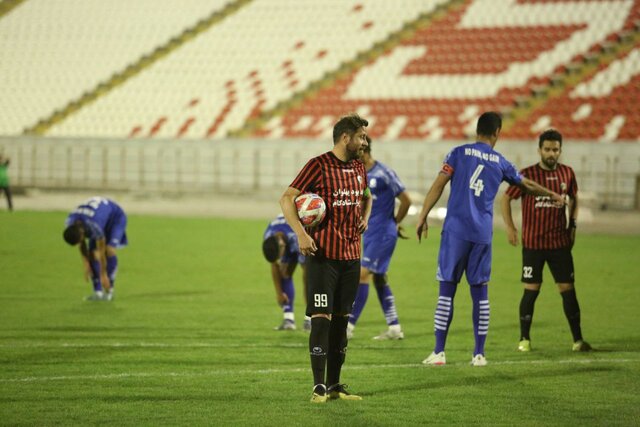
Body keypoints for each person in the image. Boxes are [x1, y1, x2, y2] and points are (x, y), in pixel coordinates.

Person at [415, 112, 565, 367]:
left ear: (477, 131)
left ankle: (439, 352)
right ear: (497, 133)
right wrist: (552, 194)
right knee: (480, 295)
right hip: (482, 235)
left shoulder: (458, 153)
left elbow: (438, 185)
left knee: (446, 292)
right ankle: (479, 354)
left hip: (455, 233)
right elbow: (526, 184)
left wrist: (423, 215)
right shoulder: (501, 161)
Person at [279, 113, 372, 403]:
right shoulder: (318, 165)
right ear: (346, 137)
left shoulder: (359, 167)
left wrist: (365, 218)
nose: (365, 142)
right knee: (321, 321)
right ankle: (318, 386)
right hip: (323, 257)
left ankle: (334, 386)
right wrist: (300, 234)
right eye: (361, 137)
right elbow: (287, 198)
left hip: (351, 257)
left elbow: (367, 196)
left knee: (342, 323)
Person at [501, 129, 591, 352]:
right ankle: (524, 339)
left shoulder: (567, 173)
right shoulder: (526, 175)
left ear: (560, 150)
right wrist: (510, 227)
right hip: (533, 245)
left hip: (560, 245)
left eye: (556, 149)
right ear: (539, 150)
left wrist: (573, 225)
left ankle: (578, 340)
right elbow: (505, 198)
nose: (552, 153)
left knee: (568, 290)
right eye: (548, 149)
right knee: (531, 290)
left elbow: (574, 199)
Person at [347, 136, 412, 340]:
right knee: (380, 278)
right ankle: (394, 328)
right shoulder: (357, 174)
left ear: (365, 151)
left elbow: (406, 200)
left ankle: (348, 327)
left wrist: (394, 222)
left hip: (383, 233)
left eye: (357, 153)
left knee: (362, 275)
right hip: (370, 234)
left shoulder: (384, 173)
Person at [63, 197, 128, 301]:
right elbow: (81, 243)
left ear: (82, 233)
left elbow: (101, 251)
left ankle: (109, 290)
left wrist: (103, 274)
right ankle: (97, 292)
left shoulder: (93, 225)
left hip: (115, 218)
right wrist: (86, 263)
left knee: (109, 250)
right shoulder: (70, 222)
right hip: (99, 219)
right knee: (92, 254)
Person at [262, 214, 311, 331]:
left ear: (282, 244)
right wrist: (279, 293)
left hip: (303, 236)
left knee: (309, 277)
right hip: (289, 237)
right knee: (284, 272)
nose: (281, 257)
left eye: (281, 254)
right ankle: (289, 320)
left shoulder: (295, 237)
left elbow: (308, 271)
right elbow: (274, 263)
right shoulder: (269, 237)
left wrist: (308, 299)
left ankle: (310, 319)